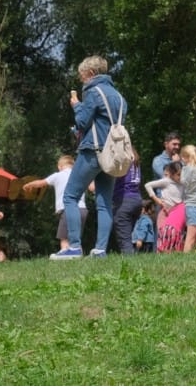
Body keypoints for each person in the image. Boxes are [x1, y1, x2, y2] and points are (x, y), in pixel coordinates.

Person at [54, 56, 126, 260]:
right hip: (112, 155)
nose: (81, 79)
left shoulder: (93, 92)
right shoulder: (120, 97)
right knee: (104, 203)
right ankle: (100, 250)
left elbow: (82, 121)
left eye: (82, 75)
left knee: (70, 196)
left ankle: (75, 247)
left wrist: (76, 105)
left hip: (92, 151)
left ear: (92, 74)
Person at [23, 155, 89, 252]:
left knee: (64, 238)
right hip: (82, 210)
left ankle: (65, 255)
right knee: (76, 238)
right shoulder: (80, 176)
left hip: (67, 210)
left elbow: (41, 183)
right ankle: (79, 256)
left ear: (59, 166)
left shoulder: (57, 175)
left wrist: (29, 184)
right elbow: (91, 187)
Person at [111, 147, 144, 256]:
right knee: (127, 235)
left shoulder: (122, 161)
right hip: (137, 200)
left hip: (124, 201)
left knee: (124, 239)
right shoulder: (135, 162)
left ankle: (129, 262)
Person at [144, 161, 184, 239]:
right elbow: (148, 185)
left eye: (182, 174)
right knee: (163, 235)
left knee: (176, 235)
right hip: (166, 213)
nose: (180, 177)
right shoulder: (166, 181)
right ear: (172, 174)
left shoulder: (182, 182)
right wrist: (157, 199)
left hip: (177, 214)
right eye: (178, 174)